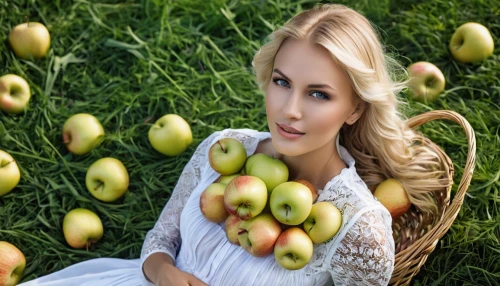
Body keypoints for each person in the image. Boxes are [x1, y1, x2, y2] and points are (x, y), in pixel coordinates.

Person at [20, 3, 450, 286]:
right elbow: (159, 240)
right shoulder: (225, 148)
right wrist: (163, 272)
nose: (289, 110)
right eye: (282, 83)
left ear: (355, 108)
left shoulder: (357, 226)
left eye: (318, 93)